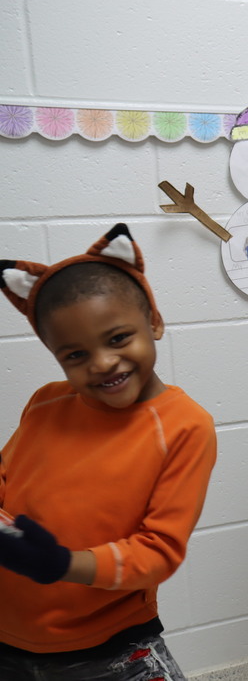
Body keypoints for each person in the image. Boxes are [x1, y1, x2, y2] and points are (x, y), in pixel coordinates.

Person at [0, 224, 217, 680]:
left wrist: (62, 565)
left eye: (118, 338)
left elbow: (159, 552)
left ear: (153, 321)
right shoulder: (45, 401)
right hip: (10, 639)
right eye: (74, 355)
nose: (101, 363)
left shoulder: (184, 425)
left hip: (113, 648)